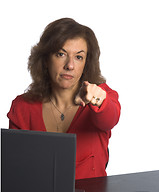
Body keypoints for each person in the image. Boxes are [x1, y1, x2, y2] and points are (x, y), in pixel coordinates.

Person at [7, 18, 121, 180]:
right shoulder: (22, 106)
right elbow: (15, 167)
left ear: (86, 64)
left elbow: (110, 118)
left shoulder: (100, 95)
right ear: (46, 59)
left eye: (78, 57)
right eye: (61, 54)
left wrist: (98, 100)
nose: (70, 65)